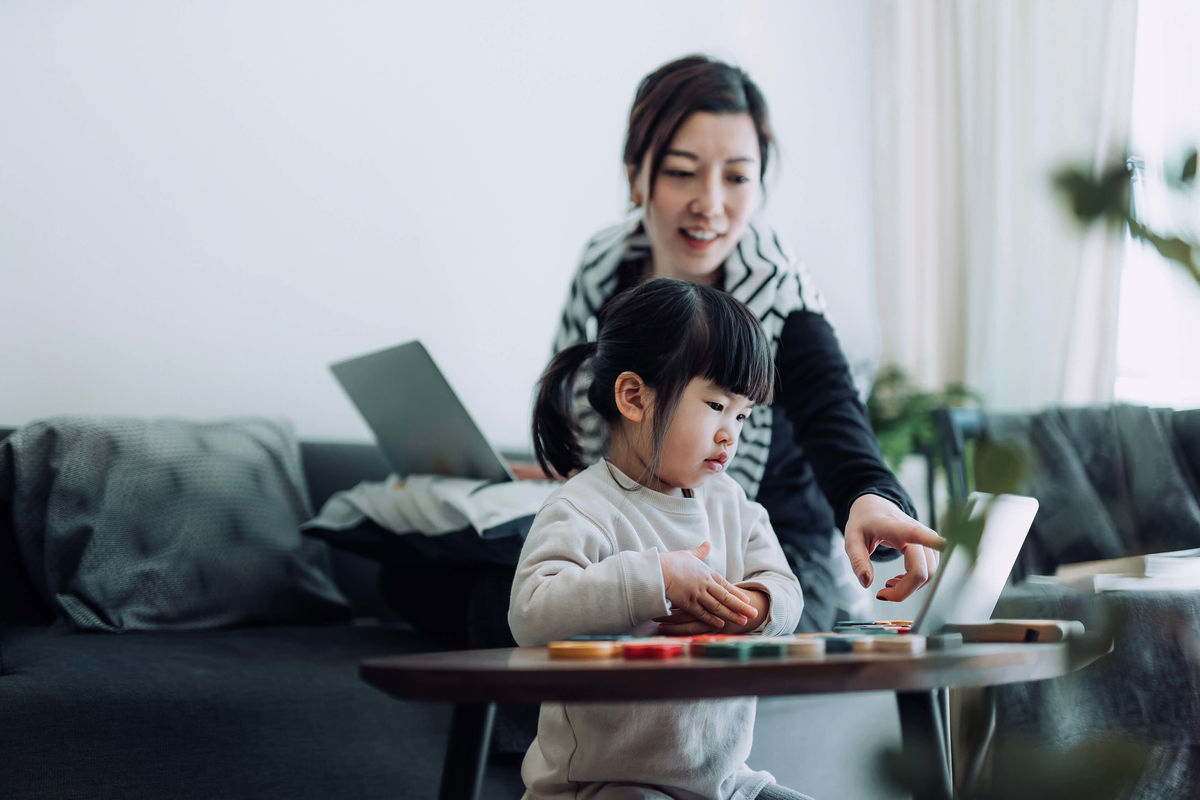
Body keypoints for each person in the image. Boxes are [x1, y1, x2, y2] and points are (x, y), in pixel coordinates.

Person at [550, 54, 944, 631]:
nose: (710, 204)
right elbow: (573, 403)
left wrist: (870, 495)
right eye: (683, 172)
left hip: (767, 553)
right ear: (637, 175)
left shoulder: (781, 297)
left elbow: (834, 412)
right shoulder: (603, 267)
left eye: (736, 177)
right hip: (623, 530)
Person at [510, 277, 811, 800]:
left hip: (725, 782)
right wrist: (657, 577)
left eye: (742, 414)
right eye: (716, 406)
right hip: (606, 785)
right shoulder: (584, 506)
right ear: (633, 397)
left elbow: (785, 589)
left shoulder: (731, 504)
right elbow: (531, 613)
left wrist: (757, 605)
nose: (730, 434)